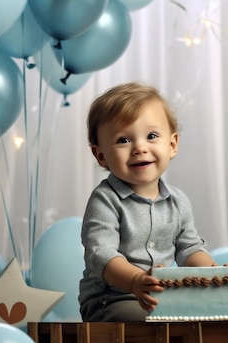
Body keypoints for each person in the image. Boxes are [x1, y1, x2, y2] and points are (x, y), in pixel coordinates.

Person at [79, 82, 216, 322]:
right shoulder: (106, 200)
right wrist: (134, 281)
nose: (139, 148)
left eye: (151, 136)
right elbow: (101, 253)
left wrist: (210, 272)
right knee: (156, 322)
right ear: (101, 155)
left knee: (207, 319)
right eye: (123, 140)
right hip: (111, 300)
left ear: (172, 144)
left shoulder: (178, 201)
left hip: (161, 299)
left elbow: (189, 248)